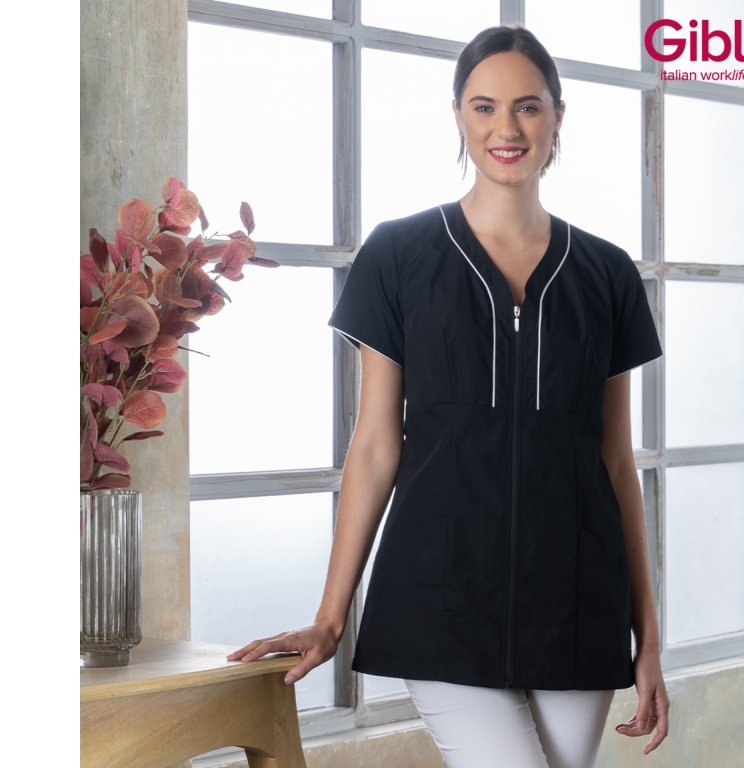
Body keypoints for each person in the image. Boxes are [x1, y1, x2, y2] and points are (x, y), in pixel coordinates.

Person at [229, 25, 670, 767]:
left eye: (528, 107)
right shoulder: (399, 254)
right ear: (459, 116)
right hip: (439, 595)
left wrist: (649, 639)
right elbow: (376, 445)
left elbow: (616, 463)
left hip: (576, 604)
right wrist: (330, 618)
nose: (507, 129)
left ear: (559, 115)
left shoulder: (607, 273)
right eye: (484, 107)